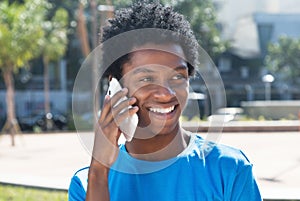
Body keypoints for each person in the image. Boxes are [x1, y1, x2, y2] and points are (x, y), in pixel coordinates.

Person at [68, 1, 262, 201]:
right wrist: (99, 171)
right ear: (115, 85)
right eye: (146, 79)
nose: (166, 93)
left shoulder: (230, 169)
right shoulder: (86, 184)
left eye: (177, 77)